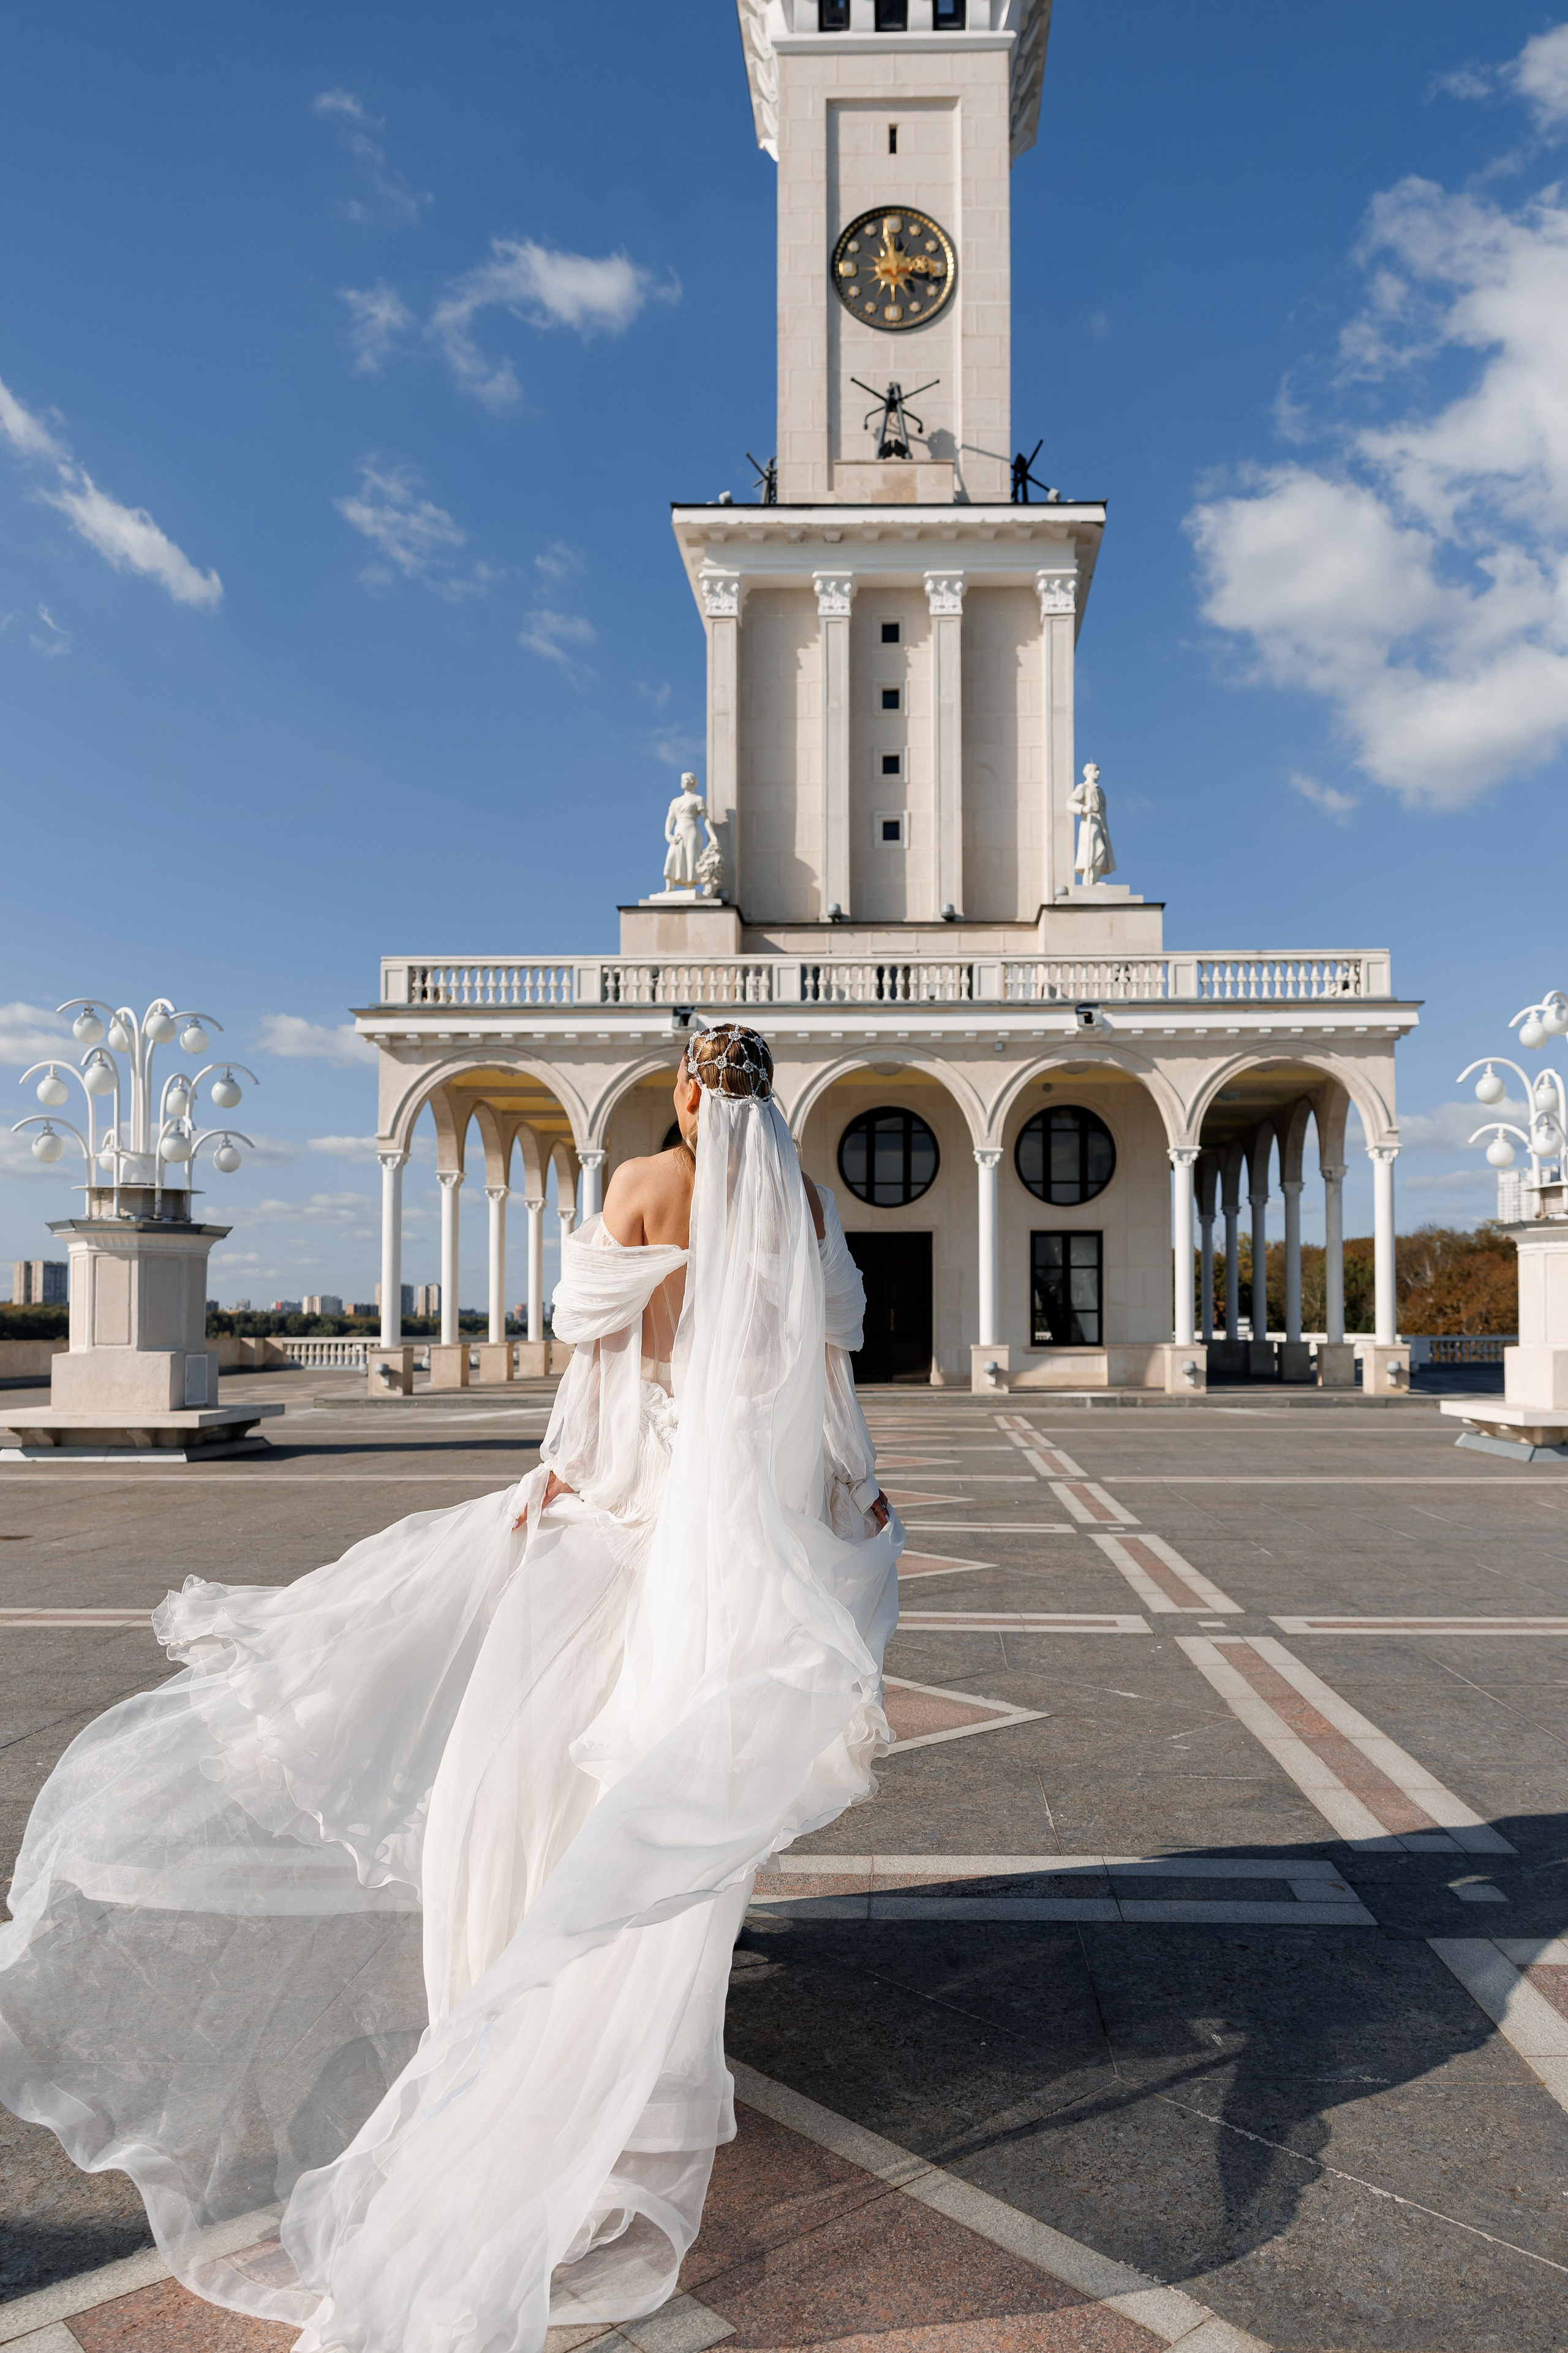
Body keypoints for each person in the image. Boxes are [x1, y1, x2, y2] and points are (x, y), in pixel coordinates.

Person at [0, 1022, 899, 2353]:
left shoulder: (643, 1185)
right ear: (771, 1100)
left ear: (681, 1090)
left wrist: (559, 1478)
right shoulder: (804, 1202)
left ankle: (517, 2021)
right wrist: (854, 1490)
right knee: (667, 1795)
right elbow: (823, 1373)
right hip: (737, 1546)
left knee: (524, 1792)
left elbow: (597, 1366)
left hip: (621, 1522)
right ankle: (642, 2049)